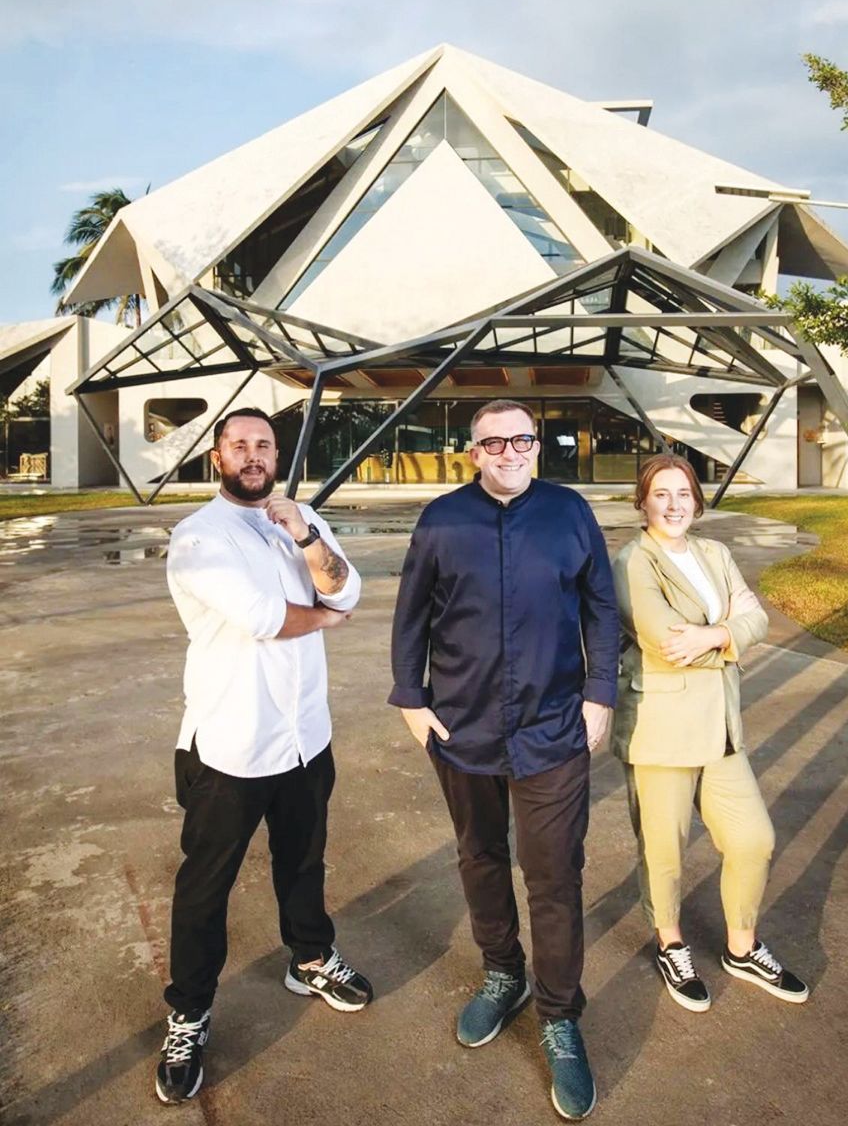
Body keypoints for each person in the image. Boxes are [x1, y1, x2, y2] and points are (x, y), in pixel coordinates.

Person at [389, 399, 619, 1122]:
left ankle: (559, 1014)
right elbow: (411, 614)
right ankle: (502, 974)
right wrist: (411, 699)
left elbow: (601, 608)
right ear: (473, 452)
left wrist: (600, 694)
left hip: (554, 727)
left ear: (537, 446)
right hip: (463, 728)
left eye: (523, 439)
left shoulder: (569, 512)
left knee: (553, 873)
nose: (510, 451)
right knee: (480, 856)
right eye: (495, 442)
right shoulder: (441, 520)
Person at [155, 407, 372, 1105]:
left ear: (277, 456)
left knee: (304, 859)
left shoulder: (299, 520)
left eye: (264, 445)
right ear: (217, 457)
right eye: (239, 445)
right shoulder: (198, 536)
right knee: (205, 888)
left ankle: (309, 956)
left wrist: (305, 535)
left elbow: (349, 585)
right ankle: (189, 1013)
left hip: (305, 735)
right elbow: (264, 618)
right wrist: (328, 615)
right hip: (231, 746)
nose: (253, 455)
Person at [610, 454, 808, 1014]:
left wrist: (714, 634)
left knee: (753, 840)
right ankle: (671, 943)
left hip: (721, 729)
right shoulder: (632, 562)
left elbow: (759, 619)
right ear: (643, 502)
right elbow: (664, 640)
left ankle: (742, 948)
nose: (673, 505)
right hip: (661, 729)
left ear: (698, 501)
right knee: (664, 851)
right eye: (661, 494)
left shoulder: (715, 553)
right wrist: (730, 635)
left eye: (683, 494)